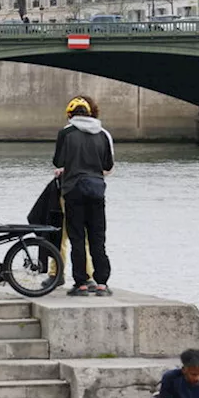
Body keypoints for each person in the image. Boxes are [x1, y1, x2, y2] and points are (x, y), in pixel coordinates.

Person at [53, 95, 115, 297]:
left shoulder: (67, 132)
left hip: (73, 190)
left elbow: (58, 160)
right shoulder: (103, 134)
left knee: (77, 237)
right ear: (89, 113)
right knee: (98, 237)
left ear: (70, 115)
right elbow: (107, 165)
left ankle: (80, 283)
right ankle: (102, 284)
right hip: (97, 189)